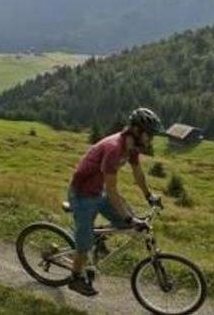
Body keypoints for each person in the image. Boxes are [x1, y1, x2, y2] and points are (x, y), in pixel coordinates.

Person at [66, 107, 164, 296]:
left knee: (126, 223)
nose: (150, 139)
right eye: (149, 134)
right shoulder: (113, 149)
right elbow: (112, 190)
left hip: (98, 191)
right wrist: (129, 218)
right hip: (83, 195)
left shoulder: (131, 147)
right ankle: (75, 278)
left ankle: (98, 236)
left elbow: (138, 173)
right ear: (136, 131)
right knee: (85, 243)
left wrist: (148, 195)